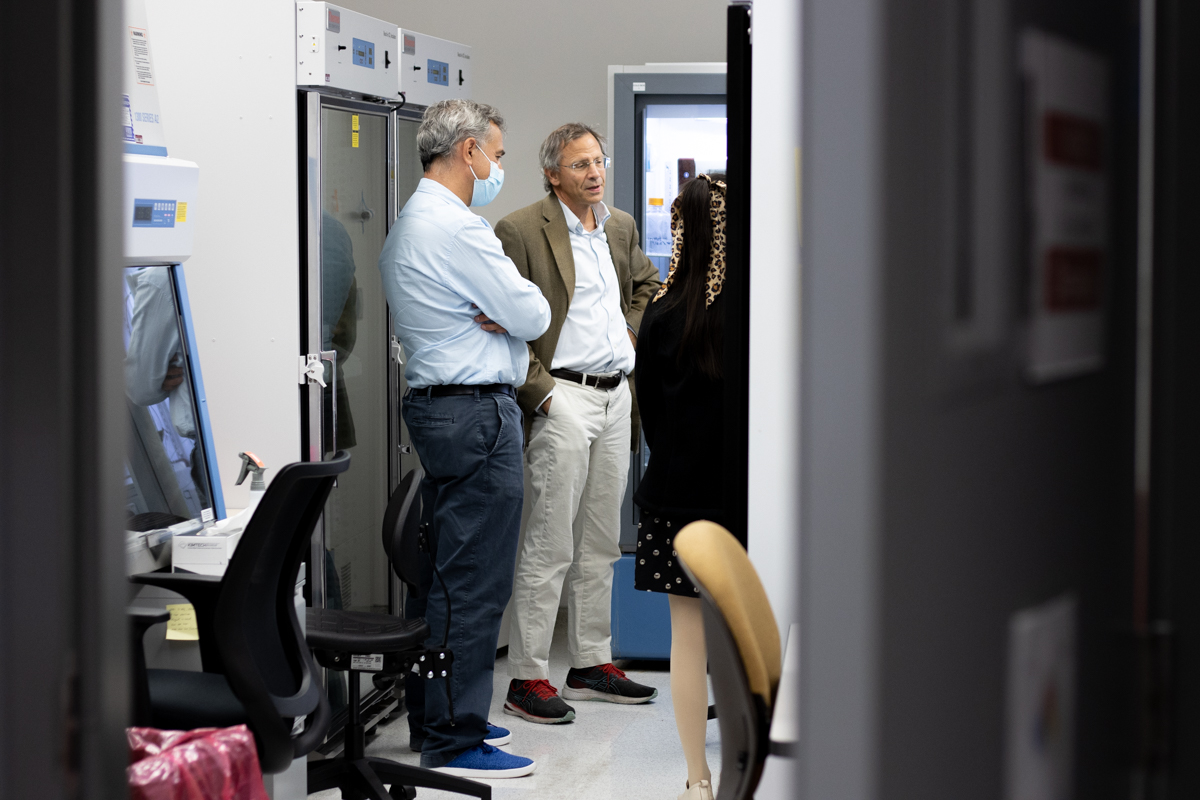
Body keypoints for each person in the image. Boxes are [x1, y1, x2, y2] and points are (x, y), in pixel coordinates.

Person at [378, 99, 551, 778]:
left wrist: (502, 314)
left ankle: (436, 718)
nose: (499, 168)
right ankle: (455, 735)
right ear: (469, 150)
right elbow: (532, 312)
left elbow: (514, 314)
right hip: (475, 415)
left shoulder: (415, 220)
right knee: (473, 581)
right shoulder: (456, 231)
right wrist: (506, 312)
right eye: (499, 155)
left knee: (446, 577)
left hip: (445, 409)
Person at [494, 122, 662, 724]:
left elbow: (646, 282)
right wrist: (542, 395)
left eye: (599, 161)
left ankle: (591, 661)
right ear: (552, 173)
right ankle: (527, 677)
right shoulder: (519, 230)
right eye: (580, 164)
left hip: (617, 397)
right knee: (549, 541)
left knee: (598, 542)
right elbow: (502, 319)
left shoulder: (617, 225)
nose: (595, 173)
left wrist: (632, 331)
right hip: (561, 396)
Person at [633, 174, 731, 800]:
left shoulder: (661, 314)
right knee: (749, 632)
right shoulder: (749, 313)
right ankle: (754, 758)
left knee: (686, 638)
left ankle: (696, 776)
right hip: (738, 500)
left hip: (673, 499)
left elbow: (651, 419)